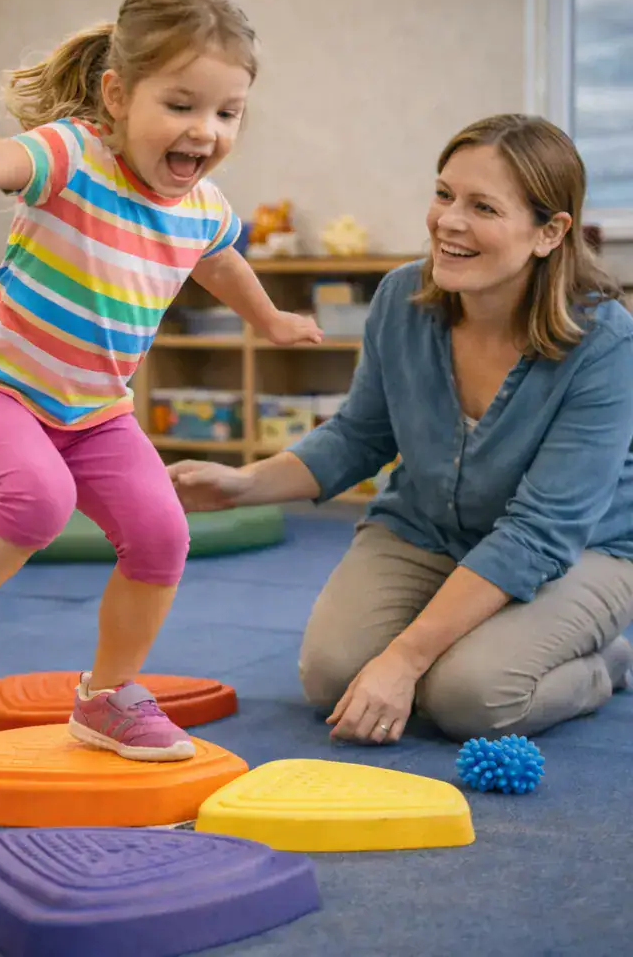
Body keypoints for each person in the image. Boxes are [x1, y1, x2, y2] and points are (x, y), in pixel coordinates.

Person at [0, 0, 323, 761]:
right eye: (180, 106)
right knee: (37, 500)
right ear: (117, 95)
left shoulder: (202, 207)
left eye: (227, 113)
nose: (204, 132)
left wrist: (272, 319)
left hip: (94, 413)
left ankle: (107, 696)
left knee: (161, 537)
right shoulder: (72, 154)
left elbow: (220, 264)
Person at [169, 113, 633, 745]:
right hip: (426, 527)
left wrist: (407, 658)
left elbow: (540, 532)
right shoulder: (399, 299)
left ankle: (604, 665)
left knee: (470, 700)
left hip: (580, 551)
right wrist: (241, 484)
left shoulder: (605, 342)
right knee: (333, 676)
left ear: (549, 232)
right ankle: (468, 635)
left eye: (483, 208)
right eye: (443, 194)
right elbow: (360, 435)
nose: (449, 222)